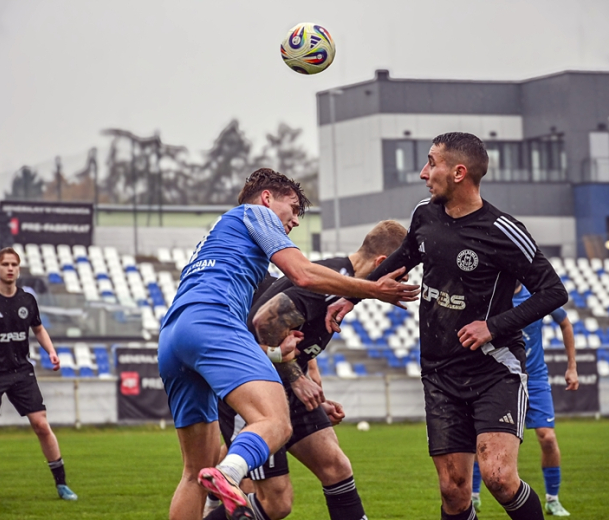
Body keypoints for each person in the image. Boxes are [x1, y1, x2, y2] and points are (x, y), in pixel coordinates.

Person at [326, 132, 568, 520]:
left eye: (431, 163)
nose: (424, 173)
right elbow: (403, 258)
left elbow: (554, 291)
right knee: (454, 492)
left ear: (458, 172)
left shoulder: (503, 230)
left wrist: (492, 326)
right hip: (439, 372)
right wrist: (353, 296)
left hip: (494, 368)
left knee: (499, 478)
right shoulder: (425, 214)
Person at [157, 168, 419, 520]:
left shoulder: (224, 235)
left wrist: (289, 365)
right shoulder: (257, 214)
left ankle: (221, 473)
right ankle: (229, 473)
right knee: (276, 423)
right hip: (212, 322)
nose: (295, 220)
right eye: (293, 209)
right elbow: (303, 274)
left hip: (173, 333)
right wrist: (373, 290)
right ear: (267, 199)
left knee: (193, 474)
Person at [204, 220, 408, 520]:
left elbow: (293, 342)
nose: (402, 283)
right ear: (382, 263)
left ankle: (216, 493)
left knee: (336, 467)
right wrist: (298, 380)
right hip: (254, 388)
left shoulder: (340, 282)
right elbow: (264, 322)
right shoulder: (330, 282)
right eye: (401, 274)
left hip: (283, 386)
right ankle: (214, 499)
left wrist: (310, 393)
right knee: (276, 504)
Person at [0, 247, 77, 501]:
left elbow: (39, 329)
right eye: (5, 264)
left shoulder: (28, 299)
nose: (10, 268)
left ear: (19, 268)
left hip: (22, 371)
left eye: (14, 264)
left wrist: (51, 351)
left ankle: (62, 485)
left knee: (41, 425)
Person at [472, 283, 578, 516]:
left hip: (535, 378)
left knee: (547, 437)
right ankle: (474, 495)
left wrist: (572, 367)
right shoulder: (491, 293)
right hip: (500, 377)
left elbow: (565, 323)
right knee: (484, 439)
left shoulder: (538, 295)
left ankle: (552, 499)